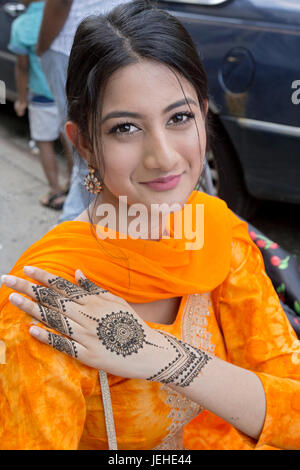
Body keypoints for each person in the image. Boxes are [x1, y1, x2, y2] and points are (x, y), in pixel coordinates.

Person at [1, 1, 300, 450]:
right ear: (83, 143)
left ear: (203, 115)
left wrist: (164, 357)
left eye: (179, 118)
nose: (162, 156)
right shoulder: (45, 303)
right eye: (125, 128)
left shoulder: (220, 234)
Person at [36, 0, 131, 223]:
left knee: (89, 148)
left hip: (76, 43)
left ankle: (72, 227)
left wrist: (42, 47)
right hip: (123, 35)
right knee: (98, 142)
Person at [8, 0, 73, 210]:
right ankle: (73, 186)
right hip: (66, 95)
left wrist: (21, 99)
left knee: (44, 144)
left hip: (42, 98)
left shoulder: (22, 24)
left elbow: (22, 67)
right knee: (71, 143)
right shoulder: (64, 15)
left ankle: (55, 191)